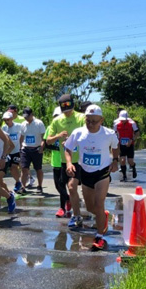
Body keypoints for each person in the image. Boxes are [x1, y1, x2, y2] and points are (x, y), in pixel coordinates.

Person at [64, 104, 119, 250]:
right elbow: (67, 148)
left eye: (94, 121)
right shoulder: (78, 133)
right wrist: (69, 163)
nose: (91, 124)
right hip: (86, 172)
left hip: (102, 172)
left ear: (101, 120)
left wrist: (115, 160)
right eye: (88, 121)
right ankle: (103, 216)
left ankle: (99, 236)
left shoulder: (108, 134)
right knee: (90, 207)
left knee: (99, 203)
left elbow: (115, 146)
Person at [46, 94, 85, 228]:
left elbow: (88, 134)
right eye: (64, 106)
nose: (67, 109)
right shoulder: (57, 121)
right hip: (65, 161)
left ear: (73, 104)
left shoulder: (81, 117)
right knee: (71, 187)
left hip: (81, 160)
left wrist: (72, 142)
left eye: (69, 105)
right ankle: (77, 215)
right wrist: (58, 136)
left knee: (83, 190)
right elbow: (48, 140)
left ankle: (95, 212)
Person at [45, 107, 71, 218]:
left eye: (58, 116)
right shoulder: (50, 128)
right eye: (55, 117)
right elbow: (47, 142)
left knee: (64, 184)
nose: (56, 119)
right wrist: (57, 136)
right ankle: (68, 199)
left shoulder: (68, 127)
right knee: (58, 186)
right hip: (55, 160)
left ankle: (62, 208)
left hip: (66, 161)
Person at [19, 107, 46, 194]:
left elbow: (43, 137)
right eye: (24, 116)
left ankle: (40, 186)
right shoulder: (23, 124)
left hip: (36, 149)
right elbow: (22, 137)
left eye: (27, 116)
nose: (25, 118)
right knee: (24, 168)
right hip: (25, 149)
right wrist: (20, 148)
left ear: (31, 115)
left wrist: (42, 147)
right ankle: (23, 187)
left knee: (38, 169)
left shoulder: (39, 123)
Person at [8, 104, 35, 187]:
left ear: (16, 111)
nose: (10, 114)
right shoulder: (6, 119)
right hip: (12, 148)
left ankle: (25, 180)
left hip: (22, 145)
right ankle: (26, 179)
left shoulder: (22, 119)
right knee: (19, 165)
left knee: (22, 165)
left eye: (12, 112)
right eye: (9, 112)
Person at [112, 110, 139, 182]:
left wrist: (131, 140)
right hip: (121, 144)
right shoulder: (116, 123)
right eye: (121, 120)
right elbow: (114, 134)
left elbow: (137, 133)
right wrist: (115, 143)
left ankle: (133, 167)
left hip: (130, 144)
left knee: (130, 161)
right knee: (122, 160)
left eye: (124, 120)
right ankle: (124, 176)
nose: (123, 121)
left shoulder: (132, 123)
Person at [1, 111, 22, 194]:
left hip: (17, 150)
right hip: (8, 151)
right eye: (5, 120)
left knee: (14, 167)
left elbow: (22, 137)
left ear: (12, 119)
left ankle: (18, 183)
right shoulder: (3, 128)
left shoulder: (18, 126)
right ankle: (19, 181)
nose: (7, 121)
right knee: (12, 169)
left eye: (8, 119)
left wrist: (22, 148)